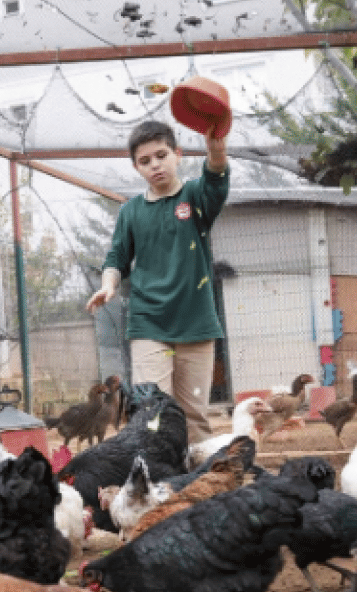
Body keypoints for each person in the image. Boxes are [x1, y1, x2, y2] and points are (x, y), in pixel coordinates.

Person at [86, 120, 229, 443]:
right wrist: (109, 284)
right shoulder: (131, 211)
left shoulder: (195, 197)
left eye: (161, 155)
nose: (155, 165)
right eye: (145, 160)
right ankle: (159, 490)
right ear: (136, 167)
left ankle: (199, 489)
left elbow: (217, 178)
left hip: (196, 324)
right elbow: (116, 258)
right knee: (153, 413)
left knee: (194, 417)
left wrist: (216, 151)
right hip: (150, 325)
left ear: (177, 154)